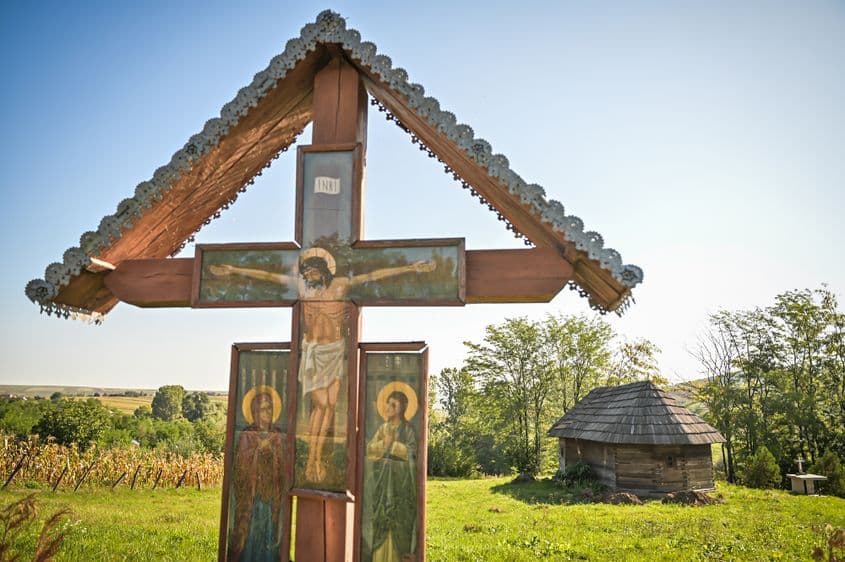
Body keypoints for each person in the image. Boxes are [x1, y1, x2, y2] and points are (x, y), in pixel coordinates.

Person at [210, 248, 434, 484]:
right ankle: (311, 460)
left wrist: (410, 268)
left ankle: (316, 458)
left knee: (328, 408)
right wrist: (234, 269)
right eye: (305, 272)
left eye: (312, 271)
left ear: (323, 270)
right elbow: (269, 277)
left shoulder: (341, 286)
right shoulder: (303, 287)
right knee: (321, 404)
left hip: (335, 351)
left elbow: (373, 276)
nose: (309, 275)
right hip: (314, 353)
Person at [229, 390, 285, 562]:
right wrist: (258, 450)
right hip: (251, 496)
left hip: (271, 493)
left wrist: (272, 450)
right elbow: (241, 463)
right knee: (251, 528)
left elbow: (283, 463)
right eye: (263, 409)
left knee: (269, 529)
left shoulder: (277, 435)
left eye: (270, 408)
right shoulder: (247, 434)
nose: (267, 412)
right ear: (254, 412)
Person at [364, 390, 417, 562]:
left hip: (399, 487)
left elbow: (412, 454)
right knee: (380, 521)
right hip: (381, 487)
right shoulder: (382, 429)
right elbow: (370, 451)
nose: (388, 407)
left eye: (394, 405)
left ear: (402, 409)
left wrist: (393, 445)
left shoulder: (407, 429)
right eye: (388, 403)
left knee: (398, 523)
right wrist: (382, 444)